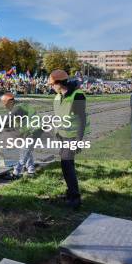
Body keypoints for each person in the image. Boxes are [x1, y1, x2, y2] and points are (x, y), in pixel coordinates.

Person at [49, 69, 87, 209]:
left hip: (72, 137)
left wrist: (78, 140)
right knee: (67, 165)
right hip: (62, 136)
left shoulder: (77, 96)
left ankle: (75, 198)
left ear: (59, 83)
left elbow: (82, 119)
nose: (51, 87)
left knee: (67, 165)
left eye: (53, 84)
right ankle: (70, 193)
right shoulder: (58, 97)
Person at [1, 92, 42, 178]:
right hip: (32, 130)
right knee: (27, 151)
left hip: (33, 131)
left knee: (24, 151)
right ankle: (31, 170)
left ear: (10, 102)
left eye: (5, 103)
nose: (4, 106)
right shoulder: (21, 105)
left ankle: (16, 173)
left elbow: (5, 121)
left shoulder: (16, 108)